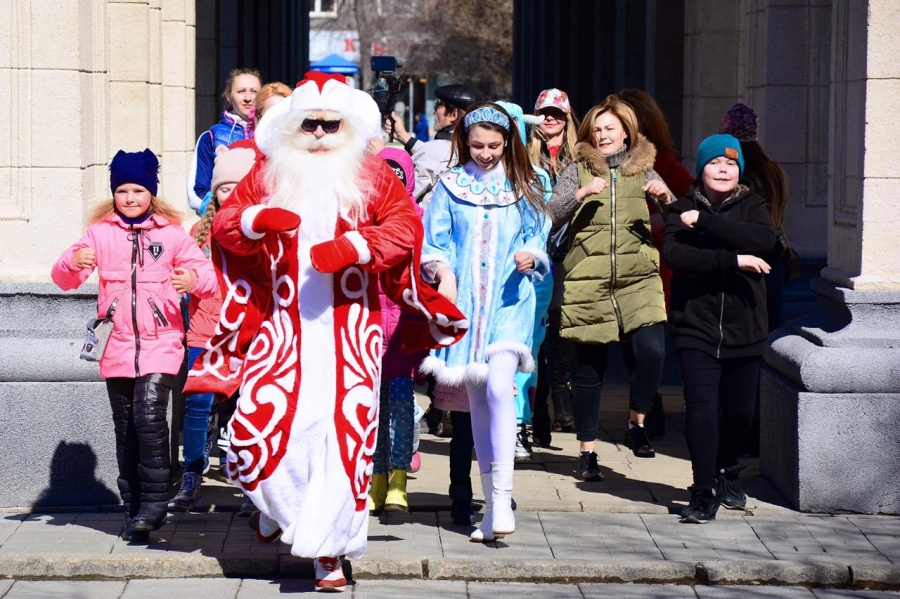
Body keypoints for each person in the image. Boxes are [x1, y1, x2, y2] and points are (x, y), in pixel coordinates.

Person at [182, 71, 468, 592]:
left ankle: (329, 554)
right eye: (308, 123)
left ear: (348, 125)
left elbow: (405, 230)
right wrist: (254, 222)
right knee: (250, 437)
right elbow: (225, 224)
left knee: (343, 444)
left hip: (349, 333)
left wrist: (358, 248)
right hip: (282, 327)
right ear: (292, 125)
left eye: (328, 123)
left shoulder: (373, 174)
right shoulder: (270, 172)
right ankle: (281, 512)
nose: (317, 133)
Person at [51, 149, 218, 542]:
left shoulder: (171, 234)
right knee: (126, 429)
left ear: (151, 194)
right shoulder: (99, 233)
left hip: (163, 343)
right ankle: (134, 509)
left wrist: (192, 281)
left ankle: (156, 503)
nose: (129, 198)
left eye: (138, 190)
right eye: (122, 190)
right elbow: (62, 278)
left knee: (148, 414)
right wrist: (75, 260)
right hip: (117, 346)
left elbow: (207, 276)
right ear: (114, 194)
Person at [419, 102, 551, 543]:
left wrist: (533, 256)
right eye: (477, 145)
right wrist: (443, 271)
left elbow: (538, 236)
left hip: (511, 302)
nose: (486, 153)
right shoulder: (450, 186)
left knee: (498, 388)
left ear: (508, 142)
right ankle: (490, 508)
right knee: (476, 402)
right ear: (463, 141)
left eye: (495, 145)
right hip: (465, 310)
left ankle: (503, 498)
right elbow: (433, 243)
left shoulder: (526, 185)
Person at [547, 94, 673, 478]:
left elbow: (679, 214)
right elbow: (548, 213)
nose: (602, 135)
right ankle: (587, 453)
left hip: (639, 279)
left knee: (652, 352)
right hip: (588, 278)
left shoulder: (644, 169)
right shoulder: (577, 168)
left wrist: (665, 198)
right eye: (597, 129)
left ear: (626, 133)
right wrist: (580, 194)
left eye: (610, 129)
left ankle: (637, 421)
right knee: (589, 370)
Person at [663, 134, 776, 524]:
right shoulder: (682, 207)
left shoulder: (753, 205)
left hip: (746, 327)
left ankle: (728, 468)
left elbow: (765, 240)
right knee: (701, 409)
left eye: (730, 163)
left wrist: (710, 223)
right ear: (702, 170)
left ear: (739, 170)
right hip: (695, 325)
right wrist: (734, 260)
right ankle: (703, 488)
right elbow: (677, 254)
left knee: (740, 416)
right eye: (715, 163)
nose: (723, 169)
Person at [167, 147, 258, 514]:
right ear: (215, 191)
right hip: (205, 330)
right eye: (224, 188)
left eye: (239, 185)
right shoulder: (198, 232)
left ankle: (251, 485)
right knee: (198, 404)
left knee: (246, 407)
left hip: (247, 332)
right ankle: (191, 476)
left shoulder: (257, 228)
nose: (231, 193)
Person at [616, 88, 696, 439]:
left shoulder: (662, 161)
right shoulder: (608, 159)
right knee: (627, 342)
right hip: (617, 263)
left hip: (655, 264)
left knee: (648, 343)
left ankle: (650, 409)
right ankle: (646, 406)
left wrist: (657, 220)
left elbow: (685, 204)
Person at [368, 145, 428, 513]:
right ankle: (375, 480)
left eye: (398, 176)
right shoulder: (365, 219)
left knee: (402, 409)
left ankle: (399, 481)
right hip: (371, 333)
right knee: (372, 411)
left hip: (404, 332)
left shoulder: (419, 219)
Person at [528, 88, 580, 447]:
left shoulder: (579, 158)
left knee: (561, 336)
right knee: (535, 337)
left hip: (569, 256)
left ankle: (563, 408)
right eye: (545, 113)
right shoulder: (524, 157)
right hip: (535, 257)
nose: (551, 119)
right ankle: (539, 419)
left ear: (567, 119)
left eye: (557, 114)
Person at [718, 102, 790, 330]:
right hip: (773, 256)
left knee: (741, 327)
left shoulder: (732, 170)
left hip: (740, 258)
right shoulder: (773, 169)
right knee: (770, 324)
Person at [188, 67, 261, 216]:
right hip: (224, 222)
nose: (248, 98)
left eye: (254, 91)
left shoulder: (273, 135)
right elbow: (196, 192)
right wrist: (223, 216)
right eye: (241, 91)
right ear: (229, 96)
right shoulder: (210, 137)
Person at [388, 84, 478, 201]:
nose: (435, 111)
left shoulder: (435, 150)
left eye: (438, 105)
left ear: (453, 114)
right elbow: (437, 157)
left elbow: (403, 195)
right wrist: (404, 137)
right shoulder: (473, 149)